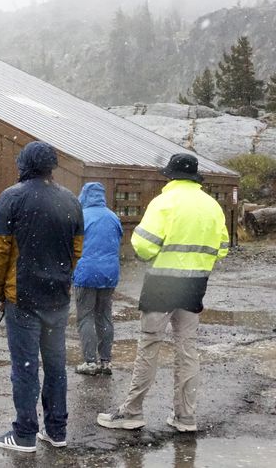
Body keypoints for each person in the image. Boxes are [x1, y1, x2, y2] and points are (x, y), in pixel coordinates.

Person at [97, 153, 229, 433]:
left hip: (161, 285)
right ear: (196, 177)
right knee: (187, 349)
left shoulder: (164, 202)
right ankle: (185, 417)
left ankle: (132, 412)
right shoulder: (212, 206)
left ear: (169, 176)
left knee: (149, 346)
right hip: (195, 285)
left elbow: (143, 246)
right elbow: (223, 248)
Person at [0, 141, 84, 452]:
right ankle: (57, 431)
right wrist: (61, 278)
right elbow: (77, 249)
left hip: (23, 299)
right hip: (58, 298)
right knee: (56, 366)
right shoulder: (71, 200)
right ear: (51, 167)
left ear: (23, 165)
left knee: (26, 367)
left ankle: (25, 434)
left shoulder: (11, 197)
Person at [73, 182, 124, 376]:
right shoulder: (113, 217)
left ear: (84, 195)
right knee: (104, 315)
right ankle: (105, 361)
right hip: (109, 273)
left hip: (86, 272)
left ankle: (90, 362)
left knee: (85, 316)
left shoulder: (81, 216)